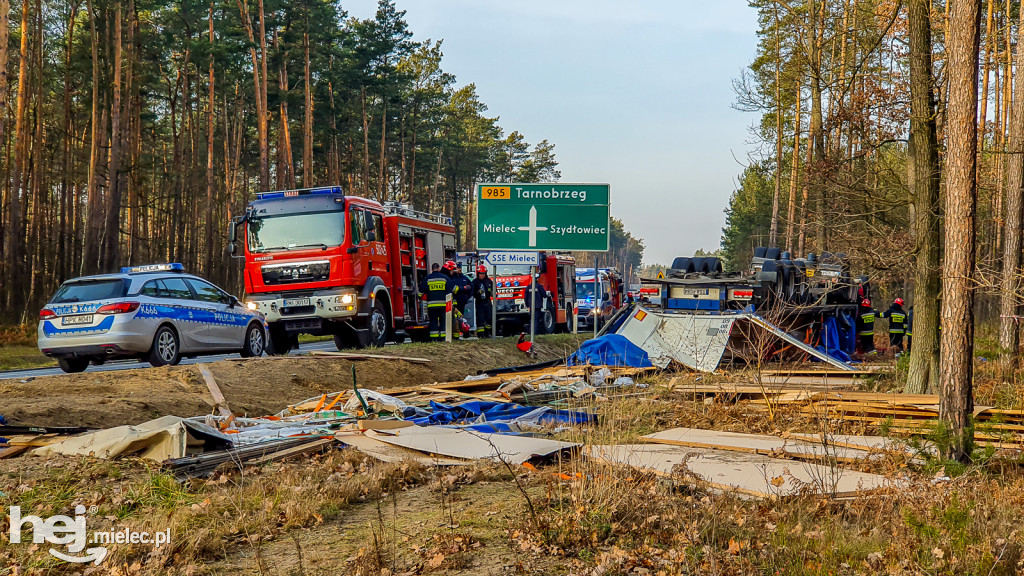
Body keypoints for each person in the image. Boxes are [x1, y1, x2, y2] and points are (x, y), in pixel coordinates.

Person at [419, 263, 452, 341]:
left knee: (433, 321)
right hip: (443, 305)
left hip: (431, 305)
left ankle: (434, 338)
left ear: (432, 269)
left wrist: (419, 297)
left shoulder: (427, 278)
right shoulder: (445, 278)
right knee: (443, 321)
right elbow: (450, 290)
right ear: (439, 268)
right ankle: (443, 338)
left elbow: (421, 290)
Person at [472, 265, 494, 337]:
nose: (482, 275)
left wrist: (492, 292)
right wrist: (477, 292)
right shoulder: (475, 282)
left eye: (483, 274)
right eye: (480, 274)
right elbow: (472, 293)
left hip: (487, 301)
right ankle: (480, 334)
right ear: (478, 274)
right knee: (480, 319)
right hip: (479, 302)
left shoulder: (489, 281)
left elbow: (494, 289)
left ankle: (488, 333)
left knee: (489, 318)